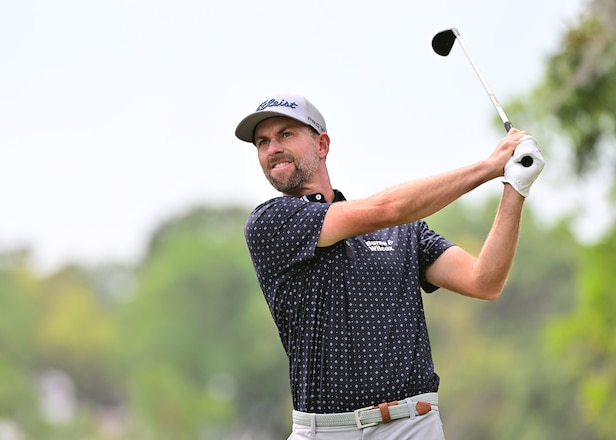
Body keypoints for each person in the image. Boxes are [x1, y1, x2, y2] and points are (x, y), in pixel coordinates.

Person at [234, 93, 544, 439]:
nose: (272, 147)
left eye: (286, 134)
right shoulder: (271, 222)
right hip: (324, 431)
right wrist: (489, 166)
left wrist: (515, 186)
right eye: (262, 142)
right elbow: (388, 209)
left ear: (322, 145)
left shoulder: (402, 233)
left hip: (411, 425)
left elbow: (483, 281)